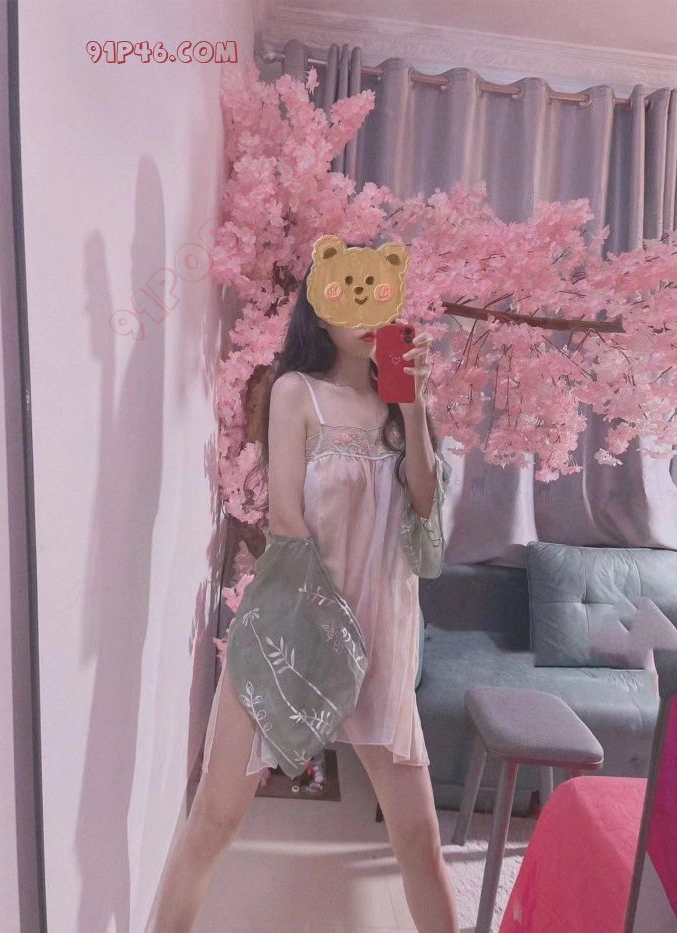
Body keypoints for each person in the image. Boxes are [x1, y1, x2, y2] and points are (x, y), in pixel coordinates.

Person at [149, 256, 460, 933]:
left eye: (376, 289)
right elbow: (286, 520)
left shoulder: (398, 404)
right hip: (292, 630)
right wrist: (327, 639)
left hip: (381, 640)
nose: (362, 303)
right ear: (320, 305)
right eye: (347, 289)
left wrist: (415, 409)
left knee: (419, 840)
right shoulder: (296, 393)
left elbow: (423, 511)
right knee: (213, 820)